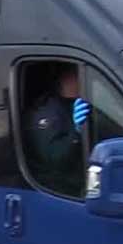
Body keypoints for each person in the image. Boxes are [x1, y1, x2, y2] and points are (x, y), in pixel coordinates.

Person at [24, 63, 88, 197]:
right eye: (78, 74)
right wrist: (76, 134)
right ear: (65, 77)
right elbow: (54, 157)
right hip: (57, 191)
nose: (84, 79)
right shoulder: (46, 111)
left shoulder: (78, 104)